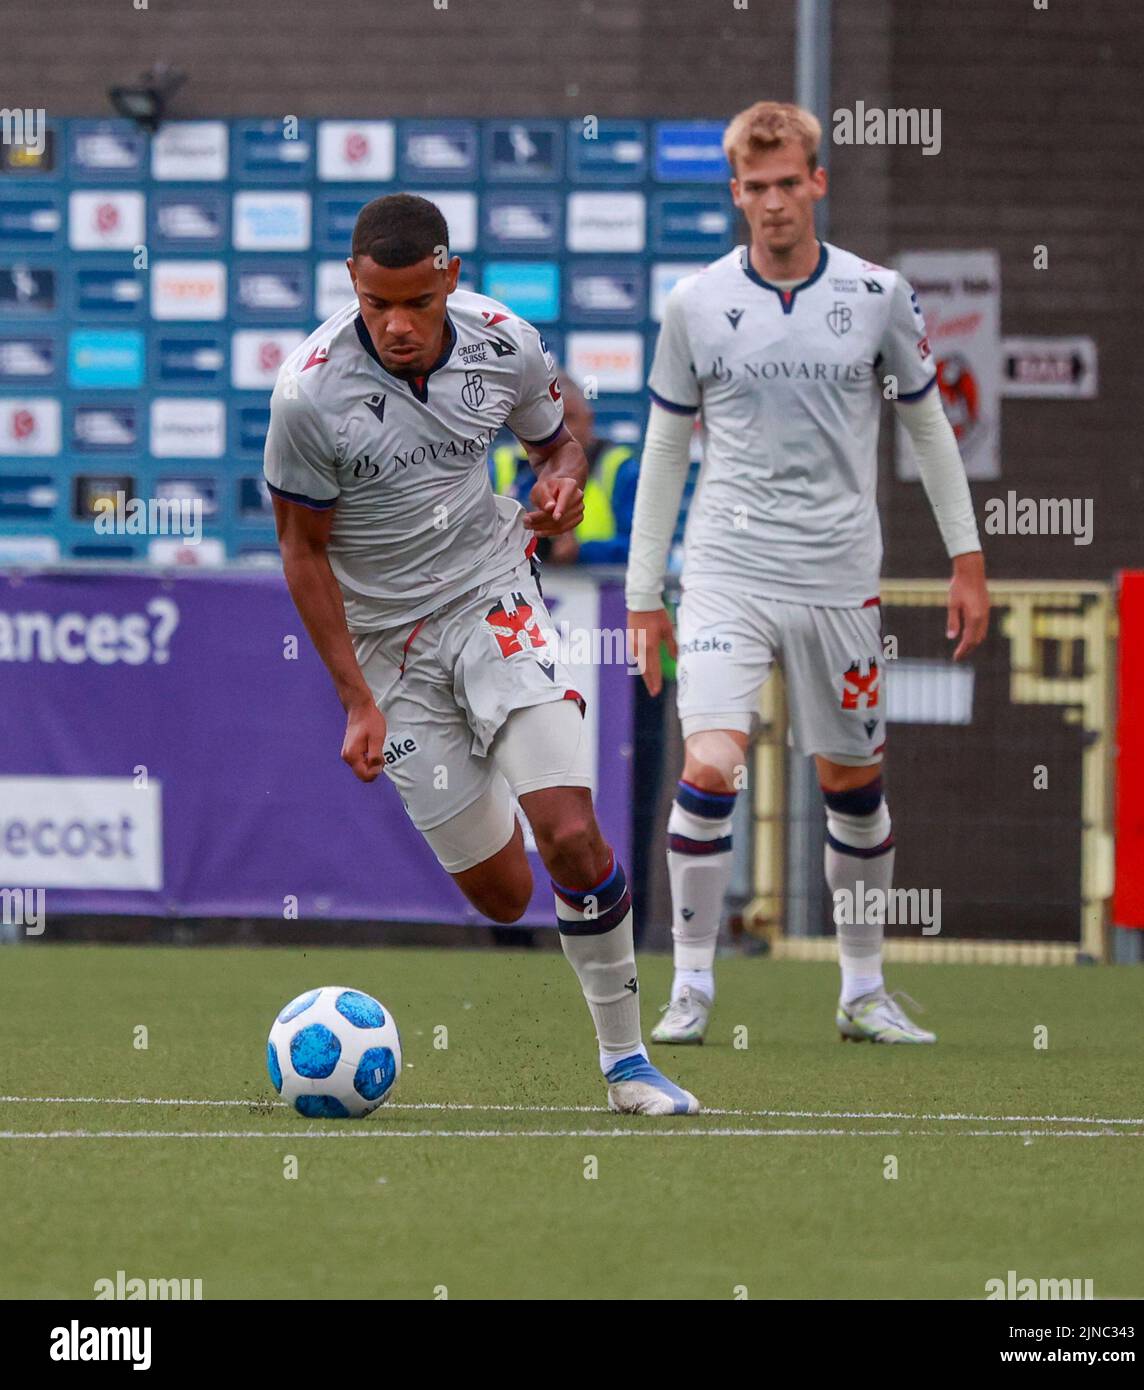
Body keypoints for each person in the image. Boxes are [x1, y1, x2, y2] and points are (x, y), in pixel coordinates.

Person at [264, 193, 698, 1115]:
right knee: (505, 896)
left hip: (490, 599)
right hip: (387, 648)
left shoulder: (507, 344)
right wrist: (355, 699)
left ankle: (627, 1066)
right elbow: (302, 552)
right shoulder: (307, 394)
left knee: (574, 838)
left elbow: (559, 448)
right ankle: (493, 772)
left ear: (448, 279)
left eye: (416, 303)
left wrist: (563, 489)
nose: (397, 324)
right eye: (377, 304)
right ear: (352, 284)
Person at [626, 102, 989, 1046]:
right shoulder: (695, 304)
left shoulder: (877, 295)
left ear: (818, 182)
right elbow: (665, 452)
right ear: (736, 194)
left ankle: (862, 990)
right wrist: (642, 596)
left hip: (839, 581)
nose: (775, 202)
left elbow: (925, 426)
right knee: (711, 764)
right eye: (757, 187)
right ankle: (691, 986)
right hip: (724, 571)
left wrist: (967, 558)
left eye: (791, 183)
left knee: (852, 784)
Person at [489, 374, 640, 566]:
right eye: (550, 420)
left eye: (569, 418)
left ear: (589, 420)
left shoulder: (620, 470)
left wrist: (580, 551)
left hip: (597, 590)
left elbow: (643, 548)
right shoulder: (502, 465)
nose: (560, 431)